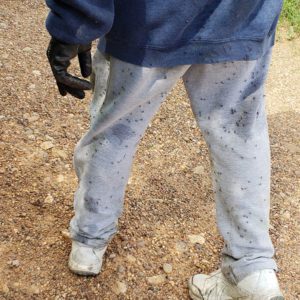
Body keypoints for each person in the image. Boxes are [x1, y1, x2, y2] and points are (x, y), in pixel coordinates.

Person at [45, 1, 284, 299]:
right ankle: (252, 267)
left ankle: (89, 241)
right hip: (244, 20)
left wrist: (75, 25)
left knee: (115, 130)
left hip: (148, 24)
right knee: (239, 136)